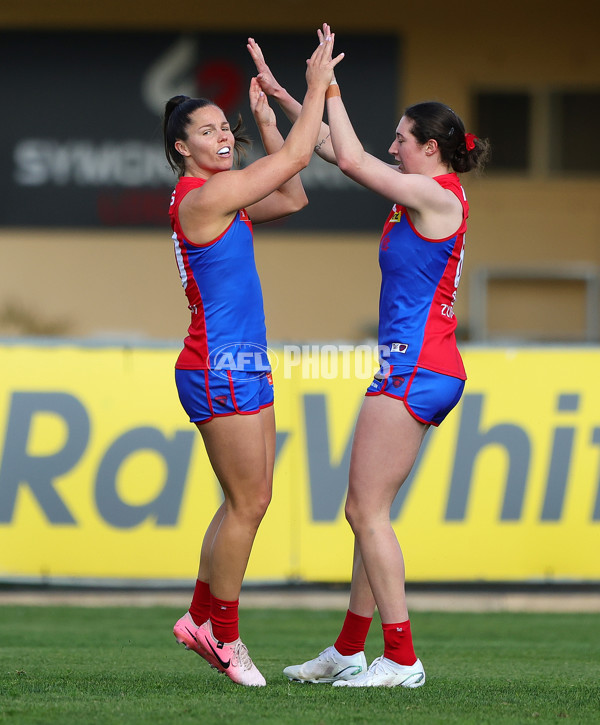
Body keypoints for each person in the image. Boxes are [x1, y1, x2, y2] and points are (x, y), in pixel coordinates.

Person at [248, 25, 490, 688]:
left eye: (402, 139)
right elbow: (334, 148)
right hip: (418, 365)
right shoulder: (417, 193)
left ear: (430, 149)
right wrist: (291, 97)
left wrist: (326, 85)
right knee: (369, 508)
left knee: (365, 512)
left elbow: (354, 158)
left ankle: (403, 656)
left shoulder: (435, 195)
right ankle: (350, 647)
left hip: (419, 367)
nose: (392, 147)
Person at [164, 30, 343, 688]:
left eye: (224, 128)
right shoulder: (206, 198)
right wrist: (318, 82)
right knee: (248, 502)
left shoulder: (224, 198)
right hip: (218, 366)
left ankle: (199, 615)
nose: (220, 136)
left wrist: (267, 121)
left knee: (248, 499)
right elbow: (304, 154)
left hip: (240, 362)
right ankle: (225, 636)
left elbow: (294, 196)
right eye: (207, 131)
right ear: (181, 147)